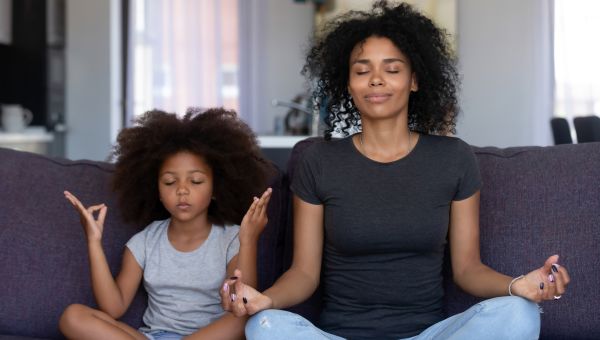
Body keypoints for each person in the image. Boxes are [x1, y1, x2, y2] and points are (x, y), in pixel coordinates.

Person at [220, 2, 571, 339]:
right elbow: (304, 273)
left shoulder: (454, 158)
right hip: (339, 334)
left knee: (519, 314)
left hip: (428, 335)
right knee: (264, 325)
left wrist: (519, 285)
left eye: (391, 69)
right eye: (361, 70)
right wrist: (267, 300)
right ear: (348, 84)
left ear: (414, 80)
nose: (375, 80)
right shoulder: (320, 162)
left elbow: (468, 270)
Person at [59, 108, 274, 340]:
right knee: (72, 316)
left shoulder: (231, 238)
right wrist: (93, 242)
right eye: (170, 182)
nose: (182, 190)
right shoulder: (144, 242)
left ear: (215, 188)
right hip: (154, 337)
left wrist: (249, 240)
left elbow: (241, 302)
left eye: (196, 180)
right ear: (156, 190)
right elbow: (113, 308)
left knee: (243, 319)